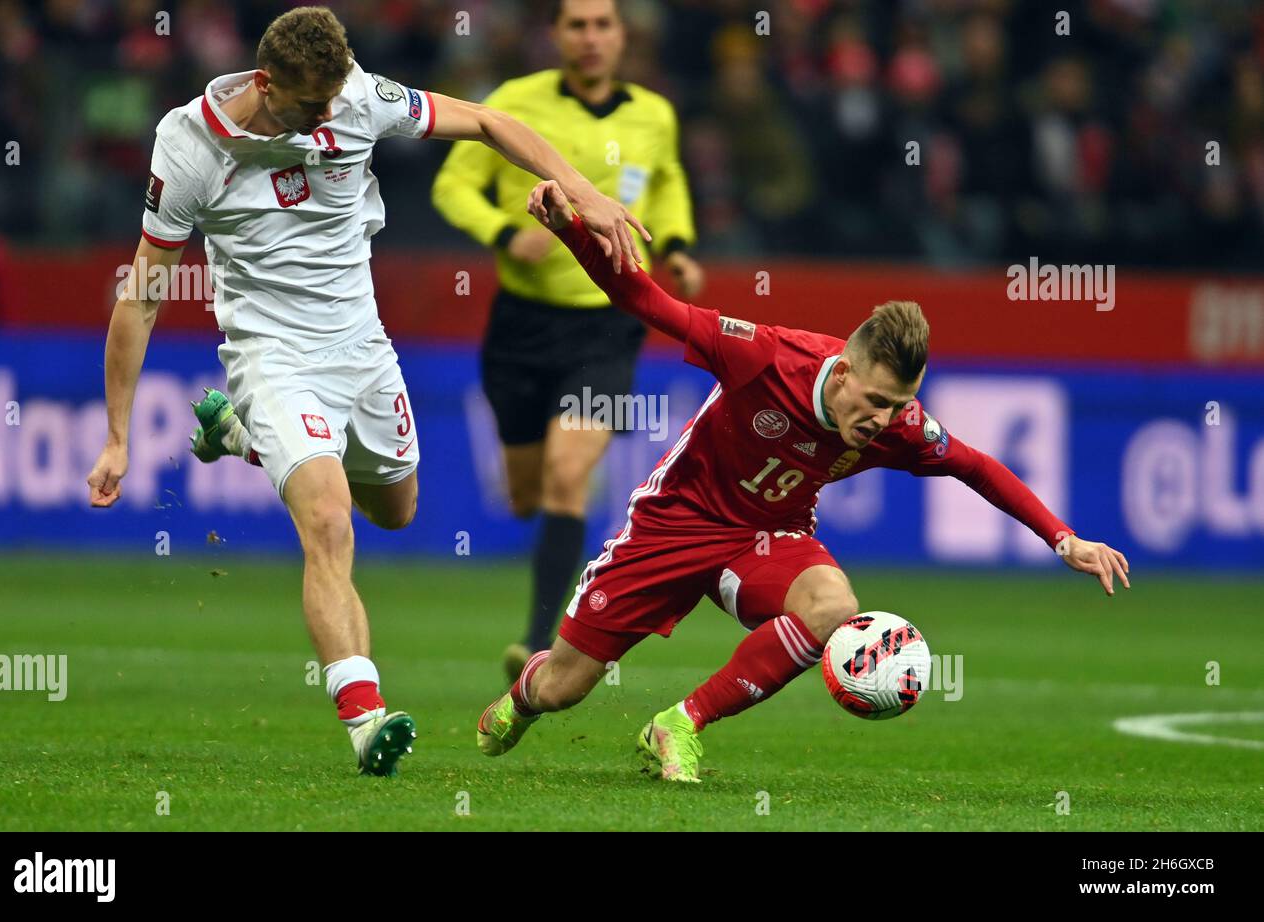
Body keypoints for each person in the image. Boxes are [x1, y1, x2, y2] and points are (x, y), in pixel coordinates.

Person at [85, 7, 648, 777]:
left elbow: (483, 121)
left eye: (333, 102)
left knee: (396, 510)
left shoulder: (355, 94)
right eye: (309, 106)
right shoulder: (190, 144)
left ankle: (238, 436)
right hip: (270, 354)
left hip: (362, 349)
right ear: (264, 81)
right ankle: (365, 718)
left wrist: (580, 189)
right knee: (328, 519)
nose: (327, 119)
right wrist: (118, 434)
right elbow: (141, 296)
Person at [477, 180, 1132, 782]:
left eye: (898, 404)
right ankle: (522, 696)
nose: (884, 419)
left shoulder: (898, 422)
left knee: (833, 609)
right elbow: (645, 298)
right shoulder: (762, 356)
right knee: (564, 688)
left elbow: (975, 465)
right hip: (675, 522)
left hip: (765, 537)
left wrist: (1062, 539)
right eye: (875, 399)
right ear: (841, 371)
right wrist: (569, 229)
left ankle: (678, 724)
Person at [431, 0, 701, 680]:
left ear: (621, 36)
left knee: (566, 473)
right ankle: (549, 541)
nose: (590, 38)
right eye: (576, 25)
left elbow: (665, 184)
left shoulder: (654, 115)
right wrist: (501, 231)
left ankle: (536, 643)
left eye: (603, 24)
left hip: (610, 326)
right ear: (555, 35)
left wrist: (676, 245)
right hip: (522, 326)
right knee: (527, 492)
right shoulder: (513, 104)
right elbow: (452, 185)